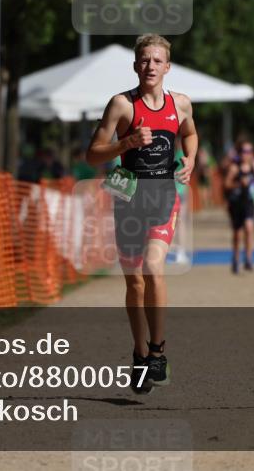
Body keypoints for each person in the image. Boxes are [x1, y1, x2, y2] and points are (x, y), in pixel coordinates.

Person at [86, 34, 197, 394]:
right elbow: (93, 154)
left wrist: (191, 159)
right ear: (136, 66)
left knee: (153, 267)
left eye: (157, 60)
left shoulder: (180, 104)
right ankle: (138, 353)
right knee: (134, 283)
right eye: (144, 60)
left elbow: (190, 134)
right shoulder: (121, 105)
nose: (150, 66)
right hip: (128, 198)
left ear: (168, 66)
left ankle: (158, 351)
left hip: (164, 197)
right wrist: (125, 143)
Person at [224, 140, 254, 273]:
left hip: (249, 202)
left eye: (249, 151)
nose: (246, 154)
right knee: (237, 234)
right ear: (240, 153)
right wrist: (239, 184)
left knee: (249, 228)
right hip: (236, 203)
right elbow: (226, 184)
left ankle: (249, 259)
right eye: (244, 151)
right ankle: (235, 259)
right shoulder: (235, 168)